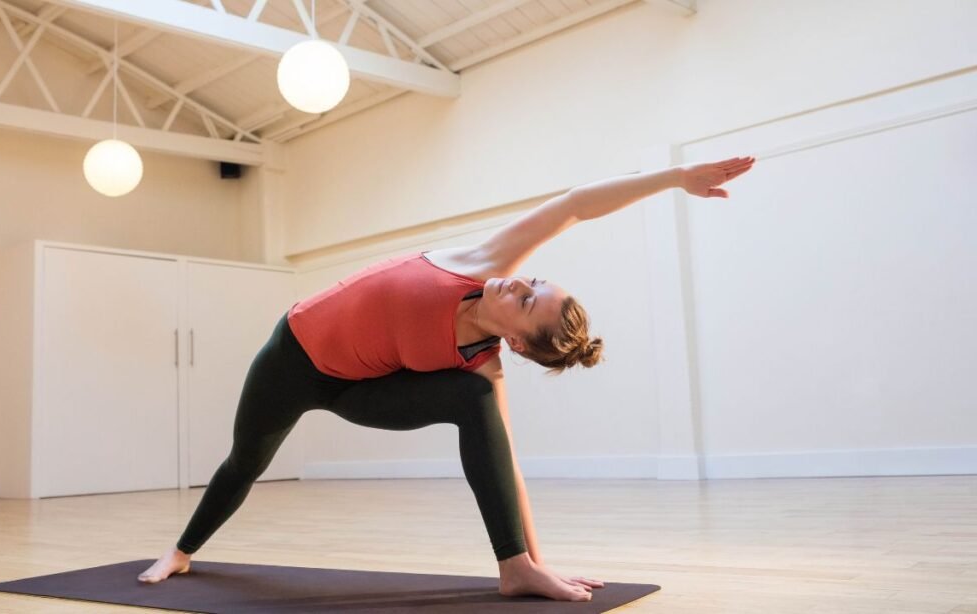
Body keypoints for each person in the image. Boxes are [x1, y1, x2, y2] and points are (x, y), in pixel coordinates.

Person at [137, 156, 756, 601]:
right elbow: (576, 206)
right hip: (291, 358)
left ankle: (513, 568)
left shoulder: (481, 365)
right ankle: (182, 552)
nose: (519, 284)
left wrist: (538, 562)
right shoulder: (489, 263)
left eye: (524, 300)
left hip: (358, 391)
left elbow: (504, 462)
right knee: (245, 462)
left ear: (514, 339)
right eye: (534, 283)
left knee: (474, 399)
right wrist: (675, 179)